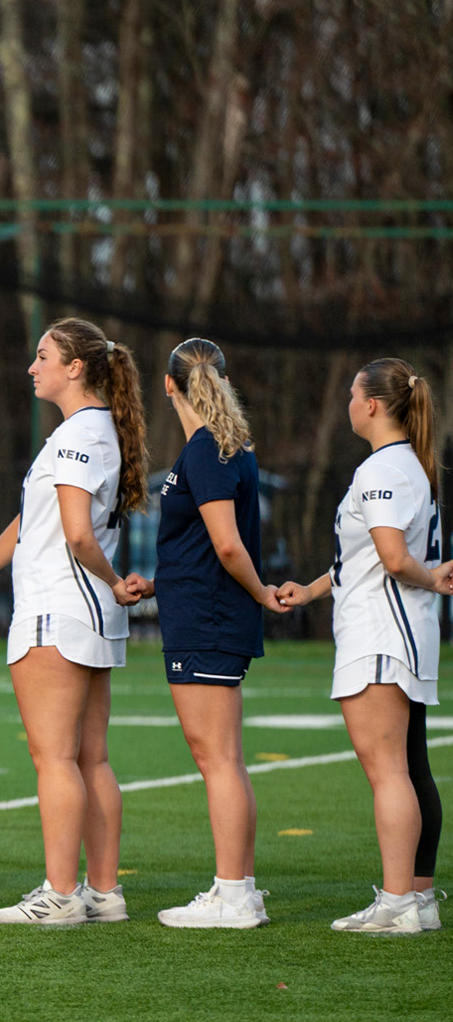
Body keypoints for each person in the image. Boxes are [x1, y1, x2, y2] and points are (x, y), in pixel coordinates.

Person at [0, 317, 145, 925]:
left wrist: (113, 581)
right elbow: (37, 519)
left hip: (60, 612)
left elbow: (78, 534)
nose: (32, 367)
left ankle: (60, 894)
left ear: (75, 367)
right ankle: (102, 893)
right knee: (91, 758)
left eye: (43, 356)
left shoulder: (78, 435)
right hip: (85, 612)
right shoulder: (84, 433)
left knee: (57, 759)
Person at [276, 357, 448, 934]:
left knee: (388, 772)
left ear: (372, 405)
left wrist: (433, 576)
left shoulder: (382, 470)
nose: (348, 402)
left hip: (380, 636)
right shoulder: (406, 466)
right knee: (411, 767)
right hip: (402, 633)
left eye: (352, 393)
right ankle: (417, 899)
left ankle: (398, 902)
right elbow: (367, 559)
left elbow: (396, 559)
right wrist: (312, 591)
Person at [120, 340, 280, 929]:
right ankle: (241, 891)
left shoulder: (209, 448)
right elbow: (203, 548)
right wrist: (159, 585)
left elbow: (228, 545)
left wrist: (261, 592)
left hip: (209, 622)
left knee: (218, 760)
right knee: (224, 759)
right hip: (198, 610)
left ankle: (233, 895)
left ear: (168, 385)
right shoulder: (214, 447)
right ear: (223, 379)